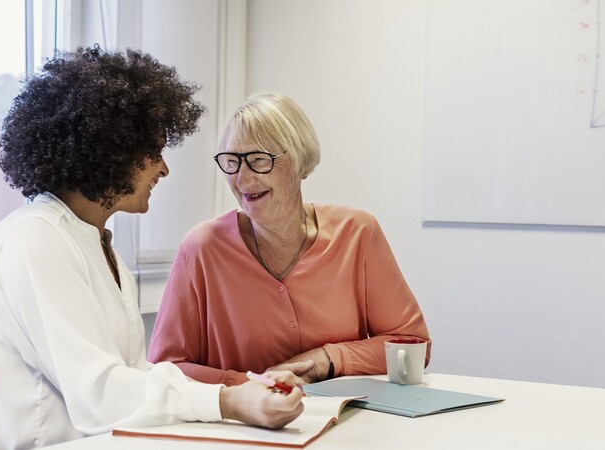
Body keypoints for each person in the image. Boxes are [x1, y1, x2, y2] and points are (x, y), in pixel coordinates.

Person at [0, 46, 304, 450]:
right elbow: (99, 394)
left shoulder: (93, 242)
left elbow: (132, 373)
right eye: (155, 152)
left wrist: (246, 388)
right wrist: (228, 401)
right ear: (111, 149)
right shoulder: (34, 239)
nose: (164, 169)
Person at [147, 92, 431, 386]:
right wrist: (250, 386)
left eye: (259, 160)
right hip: (246, 428)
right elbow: (164, 370)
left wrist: (326, 360)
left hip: (347, 422)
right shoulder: (201, 248)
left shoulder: (358, 233)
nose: (242, 180)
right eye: (232, 161)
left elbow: (411, 346)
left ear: (300, 162)